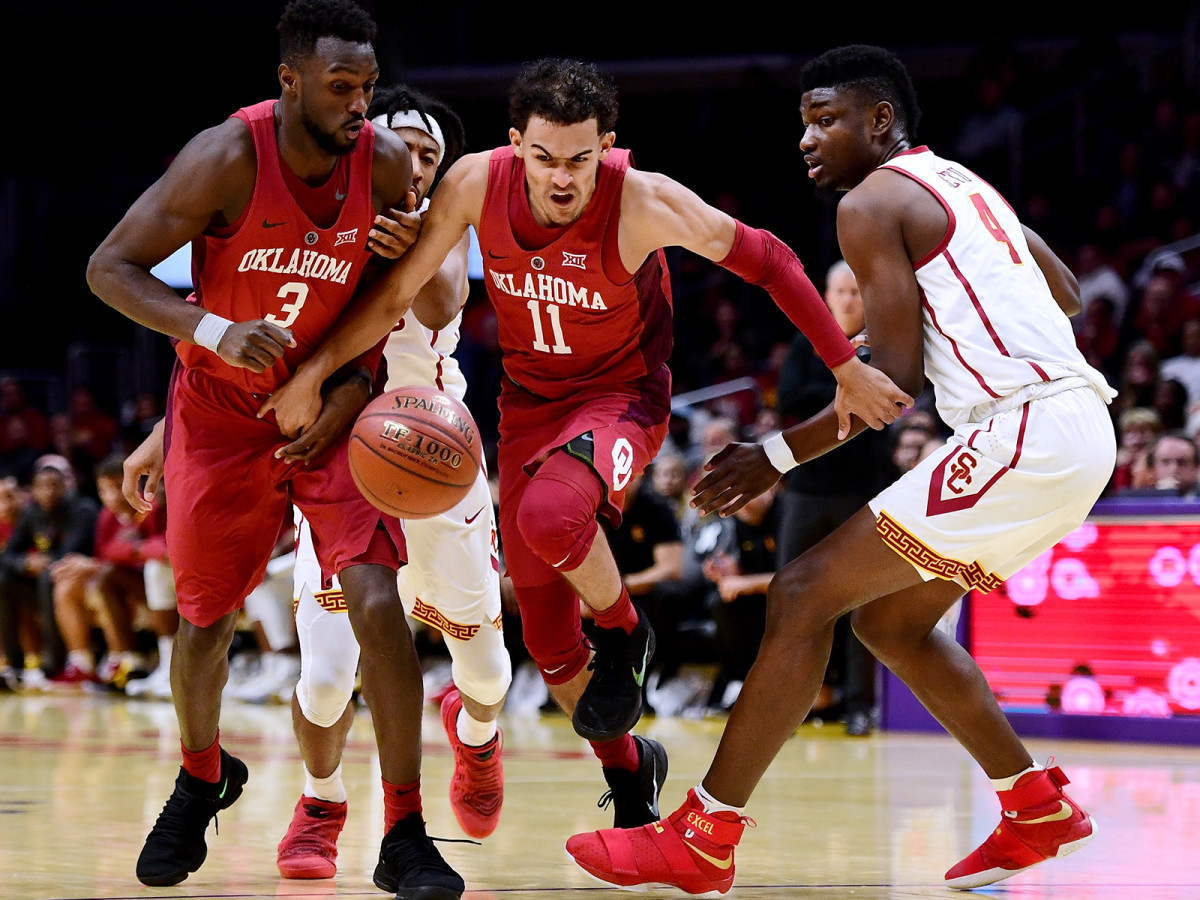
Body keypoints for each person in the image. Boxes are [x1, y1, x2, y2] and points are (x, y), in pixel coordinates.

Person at [259, 57, 914, 830]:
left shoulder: (642, 200)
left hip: (620, 398)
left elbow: (768, 258)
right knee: (545, 638)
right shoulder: (475, 182)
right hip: (527, 406)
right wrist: (317, 373)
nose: (561, 178)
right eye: (543, 158)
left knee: (547, 518)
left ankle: (629, 634)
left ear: (606, 145)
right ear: (515, 145)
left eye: (579, 159)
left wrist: (843, 365)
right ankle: (630, 767)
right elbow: (399, 295)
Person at [565, 44, 1117, 894]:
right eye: (803, 124)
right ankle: (1036, 805)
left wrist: (773, 456)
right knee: (889, 622)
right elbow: (1069, 294)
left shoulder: (871, 200)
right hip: (1075, 432)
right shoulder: (968, 185)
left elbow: (887, 386)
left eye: (825, 121)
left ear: (880, 120)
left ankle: (705, 837)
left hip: (1025, 429)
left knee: (799, 591)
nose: (807, 140)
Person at [86, 2, 466, 895]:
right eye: (341, 87)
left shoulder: (382, 160)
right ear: (289, 81)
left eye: (368, 86)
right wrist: (211, 329)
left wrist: (350, 390)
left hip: (335, 408)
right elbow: (109, 268)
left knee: (377, 600)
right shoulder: (225, 157)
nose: (359, 105)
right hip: (220, 415)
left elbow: (396, 301)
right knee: (204, 621)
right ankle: (201, 775)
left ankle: (406, 832)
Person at [774, 258, 891, 735]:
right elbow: (790, 405)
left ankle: (858, 704)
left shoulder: (885, 348)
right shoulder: (804, 346)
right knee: (792, 596)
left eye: (855, 292)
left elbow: (885, 403)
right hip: (805, 490)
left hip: (863, 491)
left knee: (862, 601)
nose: (847, 299)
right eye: (839, 291)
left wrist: (834, 393)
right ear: (825, 296)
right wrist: (849, 386)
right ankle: (790, 700)